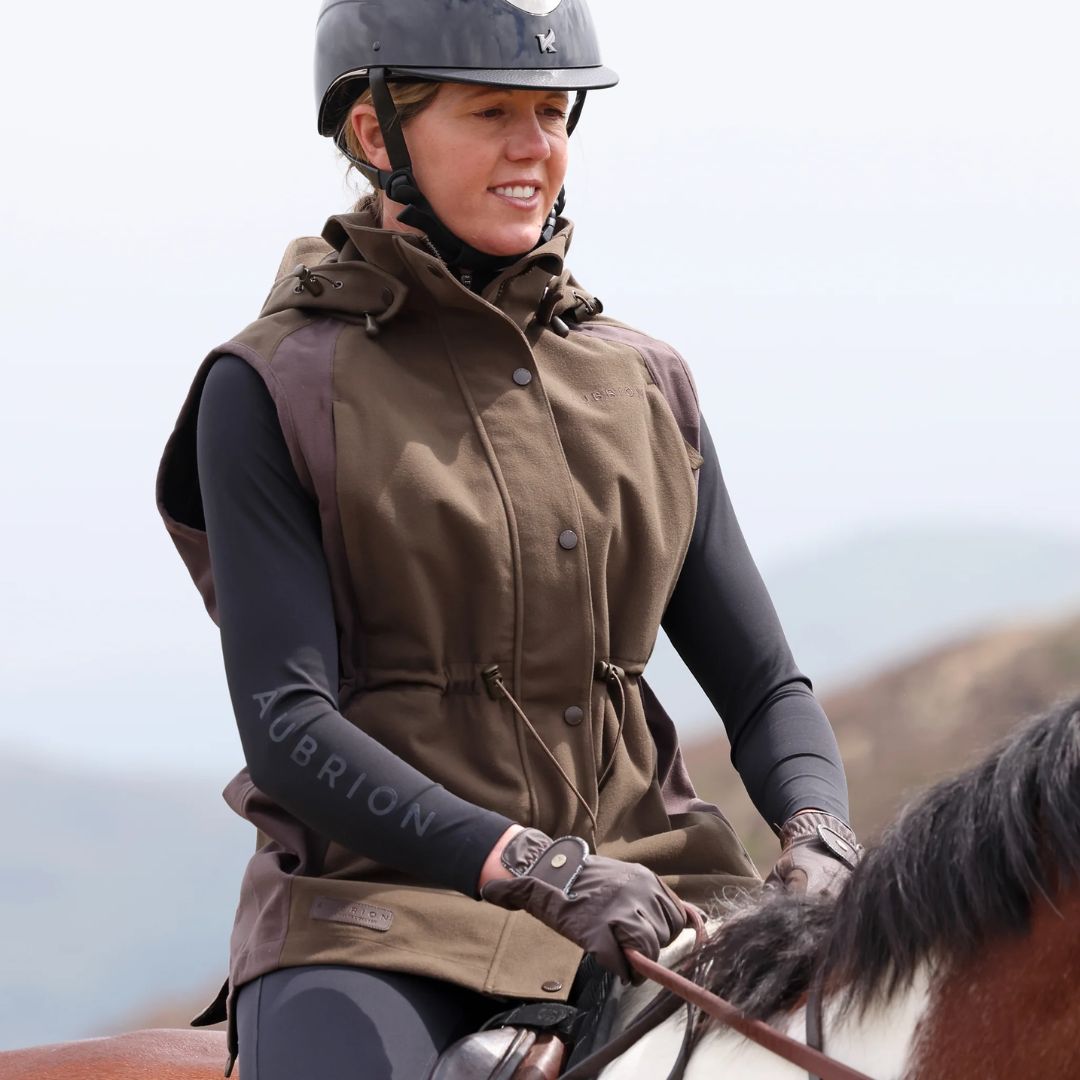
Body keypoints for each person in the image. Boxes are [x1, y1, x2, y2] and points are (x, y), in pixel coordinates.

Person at [155, 1, 861, 1076]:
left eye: (551, 112)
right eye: (492, 113)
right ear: (377, 137)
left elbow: (765, 686)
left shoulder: (644, 380)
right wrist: (535, 868)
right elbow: (287, 724)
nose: (535, 146)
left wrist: (820, 834)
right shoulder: (269, 387)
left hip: (663, 894)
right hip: (381, 919)